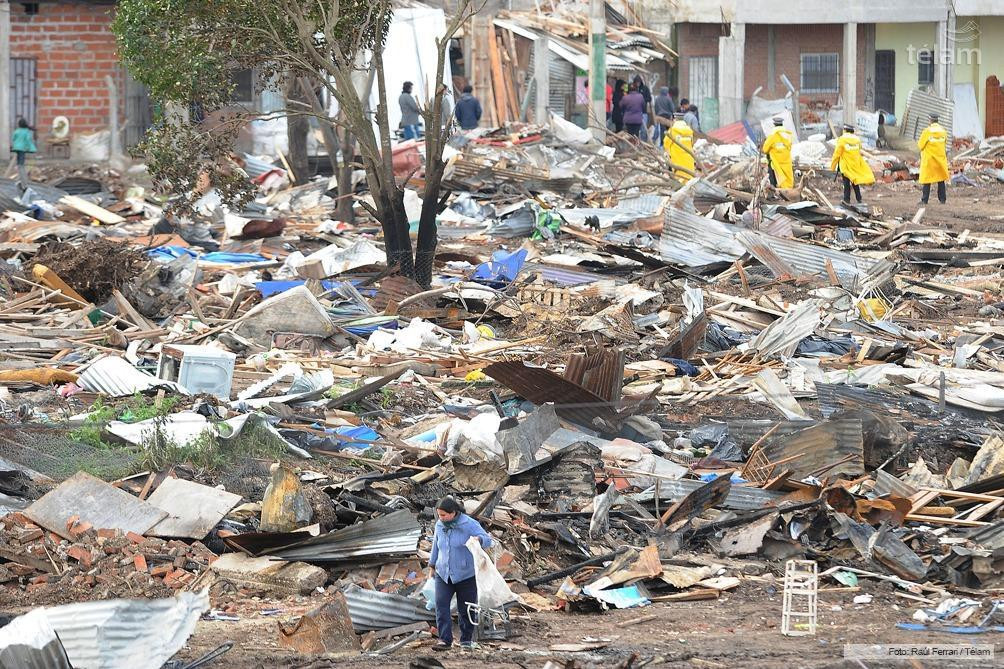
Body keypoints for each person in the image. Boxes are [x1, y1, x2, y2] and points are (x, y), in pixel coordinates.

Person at [429, 496, 493, 651]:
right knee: (441, 605)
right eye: (439, 514)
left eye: (444, 515)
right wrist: (432, 565)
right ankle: (445, 640)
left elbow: (488, 539)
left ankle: (466, 640)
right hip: (443, 573)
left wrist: (479, 539)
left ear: (453, 513)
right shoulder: (439, 525)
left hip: (465, 574)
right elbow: (435, 545)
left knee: (466, 609)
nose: (441, 518)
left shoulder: (469, 524)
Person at [830, 123, 875, 205]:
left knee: (846, 183)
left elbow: (837, 154)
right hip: (855, 165)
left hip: (846, 166)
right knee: (855, 182)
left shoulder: (842, 140)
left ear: (845, 130)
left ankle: (846, 200)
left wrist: (832, 166)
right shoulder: (857, 140)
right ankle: (859, 198)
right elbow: (859, 151)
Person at [918, 113, 949, 204]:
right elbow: (945, 143)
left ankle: (924, 200)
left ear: (930, 120)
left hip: (929, 160)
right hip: (940, 160)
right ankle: (942, 199)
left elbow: (920, 145)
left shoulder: (927, 131)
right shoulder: (943, 131)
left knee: (927, 180)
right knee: (941, 179)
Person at [762, 117, 794, 188]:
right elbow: (790, 147)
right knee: (787, 179)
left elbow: (765, 149)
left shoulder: (773, 136)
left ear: (774, 125)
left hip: (776, 162)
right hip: (786, 161)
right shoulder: (788, 135)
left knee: (776, 178)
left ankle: (776, 192)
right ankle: (788, 190)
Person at [664, 111, 695, 182]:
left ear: (675, 119)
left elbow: (666, 144)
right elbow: (691, 143)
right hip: (689, 160)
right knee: (689, 177)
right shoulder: (689, 130)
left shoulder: (672, 130)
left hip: (677, 159)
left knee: (680, 177)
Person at [11, 118, 36, 190]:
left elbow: (13, 139)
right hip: (22, 149)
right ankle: (24, 184)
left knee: (19, 163)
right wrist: (31, 148)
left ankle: (19, 178)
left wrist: (15, 145)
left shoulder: (17, 131)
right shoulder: (26, 131)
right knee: (21, 165)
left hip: (16, 148)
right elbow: (28, 140)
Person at [632, 75, 652, 141]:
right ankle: (635, 142)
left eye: (639, 82)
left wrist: (642, 99)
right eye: (636, 82)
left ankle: (644, 143)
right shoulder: (632, 88)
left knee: (644, 129)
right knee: (635, 129)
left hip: (643, 112)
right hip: (634, 112)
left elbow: (649, 98)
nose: (637, 84)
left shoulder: (645, 88)